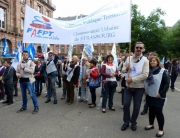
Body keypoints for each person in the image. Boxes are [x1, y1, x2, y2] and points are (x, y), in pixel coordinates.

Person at [121, 42, 149, 131]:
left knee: (136, 107)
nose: (139, 49)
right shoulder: (128, 58)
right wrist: (126, 68)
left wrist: (132, 79)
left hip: (139, 87)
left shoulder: (145, 60)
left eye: (141, 48)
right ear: (134, 48)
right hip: (128, 87)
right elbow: (122, 70)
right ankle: (126, 121)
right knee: (126, 104)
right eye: (137, 47)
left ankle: (133, 122)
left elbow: (145, 75)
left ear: (143, 49)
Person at [144, 56, 169, 137]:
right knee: (151, 110)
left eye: (154, 61)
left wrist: (161, 93)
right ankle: (151, 124)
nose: (152, 62)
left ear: (157, 62)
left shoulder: (162, 71)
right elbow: (145, 81)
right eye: (151, 61)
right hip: (149, 94)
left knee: (158, 112)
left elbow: (167, 83)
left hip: (159, 95)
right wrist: (145, 89)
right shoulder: (148, 71)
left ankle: (161, 129)